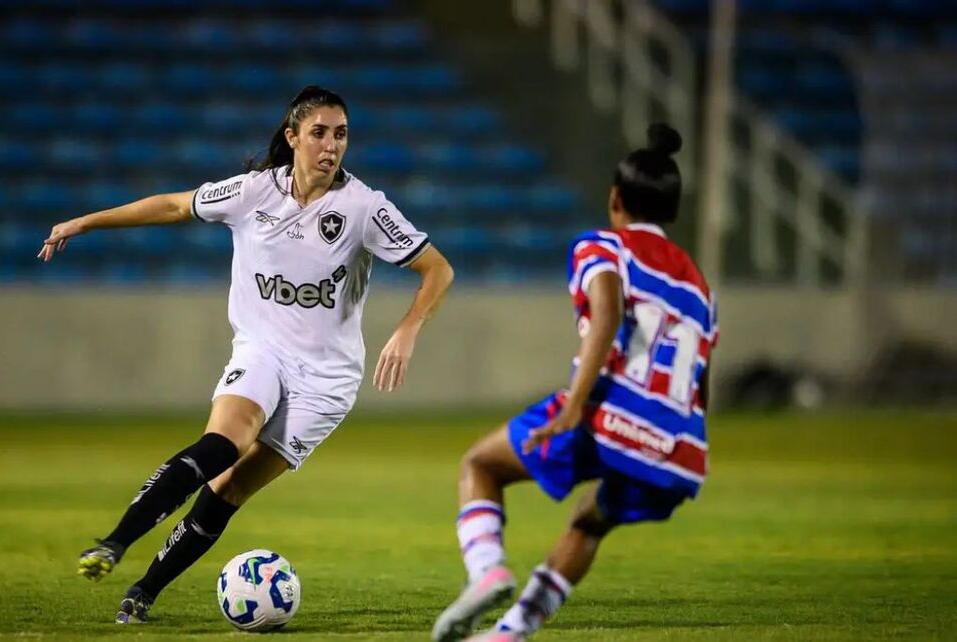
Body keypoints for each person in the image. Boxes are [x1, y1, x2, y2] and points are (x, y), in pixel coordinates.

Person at [38, 85, 455, 624]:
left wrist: (407, 328)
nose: (331, 145)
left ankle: (144, 591)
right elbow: (174, 205)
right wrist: (85, 222)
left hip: (326, 381)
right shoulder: (255, 191)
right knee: (222, 444)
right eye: (319, 133)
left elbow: (437, 269)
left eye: (341, 134)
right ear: (293, 137)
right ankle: (114, 542)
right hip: (263, 351)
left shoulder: (364, 207)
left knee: (229, 488)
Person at [431, 124, 717, 642]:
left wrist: (575, 404)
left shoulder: (602, 246)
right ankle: (511, 631)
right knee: (589, 521)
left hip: (608, 413)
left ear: (615, 198)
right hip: (678, 447)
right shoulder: (699, 287)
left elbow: (607, 313)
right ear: (672, 211)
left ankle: (487, 570)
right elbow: (702, 379)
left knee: (481, 465)